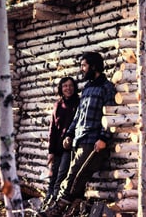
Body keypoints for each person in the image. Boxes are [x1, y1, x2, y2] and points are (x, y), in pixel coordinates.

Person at [39, 51, 116, 217]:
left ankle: (57, 209)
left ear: (93, 66)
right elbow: (78, 115)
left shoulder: (107, 88)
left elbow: (111, 116)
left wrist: (104, 138)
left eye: (84, 65)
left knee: (74, 174)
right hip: (79, 140)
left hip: (93, 141)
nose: (82, 69)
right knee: (76, 176)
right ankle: (71, 211)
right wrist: (69, 134)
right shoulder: (87, 88)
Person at [42, 77, 80, 210]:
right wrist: (51, 151)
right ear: (61, 89)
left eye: (70, 86)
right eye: (65, 86)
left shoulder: (79, 103)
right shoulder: (58, 105)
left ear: (74, 87)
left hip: (70, 147)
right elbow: (52, 129)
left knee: (61, 174)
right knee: (53, 176)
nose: (68, 88)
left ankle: (55, 204)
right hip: (57, 147)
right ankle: (48, 200)